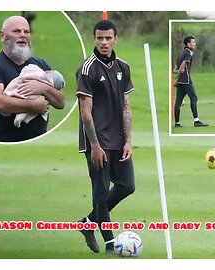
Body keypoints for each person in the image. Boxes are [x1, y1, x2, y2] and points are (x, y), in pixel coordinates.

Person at [75, 20, 135, 255]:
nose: (104, 42)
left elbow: (126, 107)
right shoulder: (87, 68)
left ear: (115, 39)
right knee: (100, 192)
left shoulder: (123, 67)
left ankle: (87, 223)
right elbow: (85, 113)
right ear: (94, 39)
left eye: (108, 38)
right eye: (99, 38)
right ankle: (111, 245)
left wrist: (128, 140)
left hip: (119, 140)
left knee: (127, 186)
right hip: (97, 141)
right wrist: (94, 146)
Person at [0, 15, 65, 142]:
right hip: (5, 142)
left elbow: (60, 102)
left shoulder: (40, 64)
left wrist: (44, 88)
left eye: (26, 31)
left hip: (40, 140)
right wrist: (33, 106)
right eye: (17, 31)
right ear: (2, 36)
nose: (23, 35)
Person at [173, 36, 208, 127]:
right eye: (193, 42)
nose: (194, 44)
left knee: (178, 102)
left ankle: (177, 123)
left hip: (181, 81)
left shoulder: (181, 53)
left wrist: (177, 78)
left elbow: (175, 69)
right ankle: (196, 121)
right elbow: (182, 67)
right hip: (186, 81)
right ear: (188, 44)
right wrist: (178, 78)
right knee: (194, 98)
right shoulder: (188, 53)